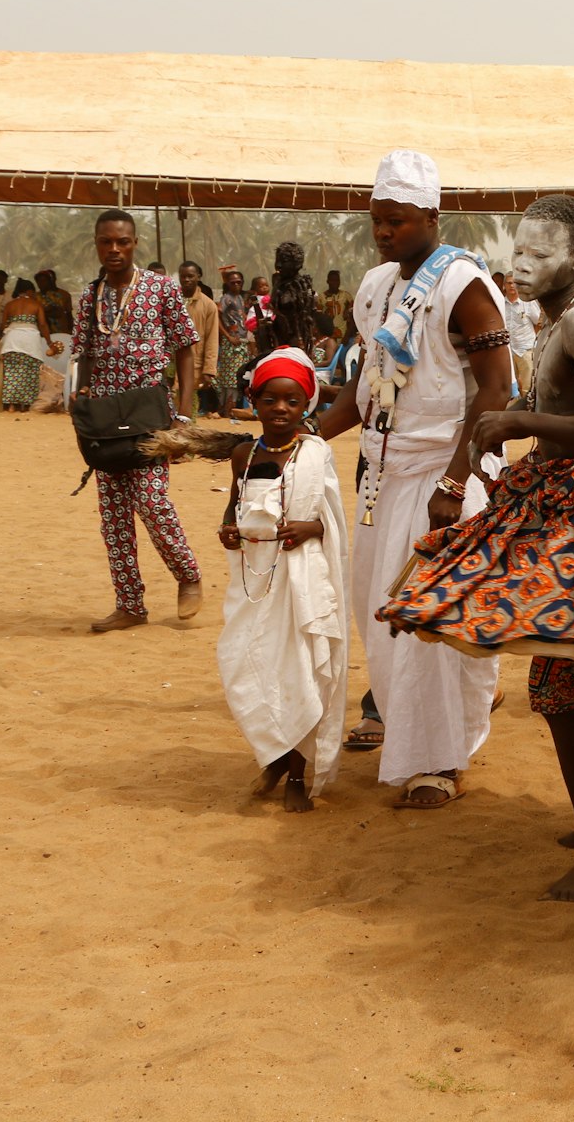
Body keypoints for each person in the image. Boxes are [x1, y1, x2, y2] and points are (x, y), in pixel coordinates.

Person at [381, 194, 574, 899]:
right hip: (565, 501)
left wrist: (519, 420)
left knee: (554, 683)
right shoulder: (557, 318)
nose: (521, 266)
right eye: (518, 251)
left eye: (540, 254)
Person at [315, 149, 507, 809]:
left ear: (430, 213)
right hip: (382, 477)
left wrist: (455, 483)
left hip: (444, 478)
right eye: (377, 220)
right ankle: (422, 736)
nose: (384, 232)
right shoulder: (375, 289)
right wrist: (303, 440)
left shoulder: (464, 286)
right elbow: (363, 391)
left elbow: (497, 394)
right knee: (382, 618)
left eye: (396, 219)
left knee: (427, 624)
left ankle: (437, 765)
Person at [182, 348, 350, 812]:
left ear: (307, 406)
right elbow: (234, 506)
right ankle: (273, 755)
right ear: (253, 402)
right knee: (251, 665)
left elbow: (331, 520)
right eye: (270, 399)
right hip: (254, 579)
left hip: (300, 581)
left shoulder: (315, 453)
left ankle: (297, 774)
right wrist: (229, 532)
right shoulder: (243, 453)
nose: (281, 409)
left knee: (298, 668)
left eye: (292, 401)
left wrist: (309, 528)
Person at [70, 209, 205, 633]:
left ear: (134, 243)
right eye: (106, 242)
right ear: (96, 244)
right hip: (106, 421)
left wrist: (183, 414)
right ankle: (129, 605)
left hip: (150, 415)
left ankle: (187, 575)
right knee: (113, 516)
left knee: (151, 501)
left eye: (122, 242)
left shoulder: (161, 289)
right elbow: (85, 354)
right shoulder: (88, 297)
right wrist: (82, 395)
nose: (114, 249)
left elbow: (185, 351)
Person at [0, 279, 61, 410]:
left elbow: (3, 325)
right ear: (29, 291)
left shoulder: (10, 305)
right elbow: (43, 325)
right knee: (29, 373)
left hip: (12, 340)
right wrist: (49, 343)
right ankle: (25, 406)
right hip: (30, 341)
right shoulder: (36, 304)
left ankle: (11, 405)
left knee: (11, 373)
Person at [178, 261, 220, 418]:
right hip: (171, 363)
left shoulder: (208, 306)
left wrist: (209, 369)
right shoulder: (173, 300)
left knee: (189, 409)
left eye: (190, 276)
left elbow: (212, 339)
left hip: (194, 364)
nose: (187, 280)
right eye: (183, 277)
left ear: (198, 277)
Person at [495, 268, 541, 397]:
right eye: (509, 283)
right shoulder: (499, 302)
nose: (512, 286)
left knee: (528, 387)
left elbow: (538, 323)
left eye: (514, 282)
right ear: (504, 286)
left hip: (525, 349)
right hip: (507, 351)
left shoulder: (528, 302)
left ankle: (529, 414)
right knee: (510, 388)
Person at [216, 268, 251, 413]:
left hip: (241, 341)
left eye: (239, 282)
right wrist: (227, 336)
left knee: (236, 375)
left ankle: (230, 408)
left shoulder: (240, 298)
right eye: (233, 282)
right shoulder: (227, 298)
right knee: (230, 377)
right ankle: (227, 408)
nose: (236, 285)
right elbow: (216, 316)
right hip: (232, 343)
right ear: (228, 284)